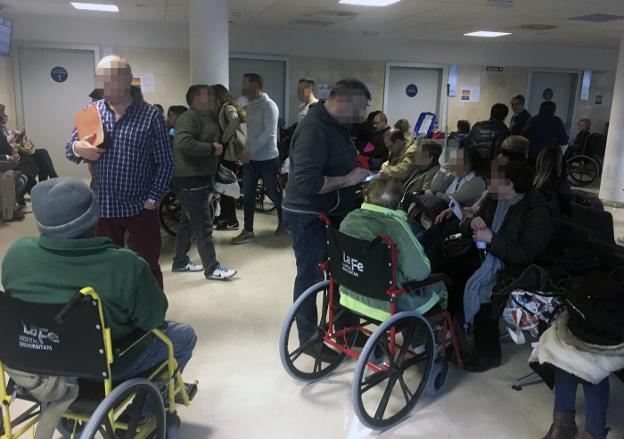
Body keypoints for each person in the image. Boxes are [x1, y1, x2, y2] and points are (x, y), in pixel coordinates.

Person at [1, 177, 196, 437]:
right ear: (94, 217)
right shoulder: (125, 266)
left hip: (36, 360)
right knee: (182, 336)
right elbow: (153, 318)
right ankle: (148, 408)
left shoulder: (17, 255)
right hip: (103, 367)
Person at [65, 55, 173, 290]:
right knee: (104, 267)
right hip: (103, 206)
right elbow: (70, 152)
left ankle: (153, 317)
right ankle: (113, 317)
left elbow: (166, 163)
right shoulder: (90, 113)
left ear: (127, 79)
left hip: (141, 207)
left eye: (110, 78)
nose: (104, 84)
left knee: (147, 267)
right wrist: (77, 147)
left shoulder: (151, 116)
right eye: (100, 78)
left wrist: (152, 200)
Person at [282, 78, 372, 345]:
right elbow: (307, 182)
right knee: (311, 276)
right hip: (308, 215)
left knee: (342, 272)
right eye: (358, 109)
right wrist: (349, 178)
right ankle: (309, 340)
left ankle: (345, 330)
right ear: (341, 101)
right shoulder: (314, 128)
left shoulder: (335, 124)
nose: (360, 116)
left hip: (331, 212)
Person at [449, 160, 552, 372]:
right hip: (488, 257)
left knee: (486, 292)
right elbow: (470, 225)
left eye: (496, 180)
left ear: (511, 184)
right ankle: (461, 335)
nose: (490, 185)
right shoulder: (496, 200)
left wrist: (492, 239)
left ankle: (487, 353)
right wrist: (472, 224)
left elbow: (526, 254)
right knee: (452, 274)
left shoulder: (536, 210)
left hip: (516, 269)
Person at [339, 176, 447, 321]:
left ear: (366, 196)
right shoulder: (396, 227)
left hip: (349, 294)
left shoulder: (349, 219)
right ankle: (421, 339)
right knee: (439, 284)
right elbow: (419, 273)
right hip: (387, 305)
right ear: (399, 202)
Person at [171, 85, 236, 281]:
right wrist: (209, 149)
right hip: (190, 179)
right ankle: (212, 268)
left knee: (187, 223)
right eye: (207, 95)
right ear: (196, 99)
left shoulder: (206, 117)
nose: (212, 99)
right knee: (203, 225)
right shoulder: (189, 117)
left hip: (198, 178)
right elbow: (182, 142)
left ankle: (180, 262)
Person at [231, 73, 283, 244]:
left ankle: (284, 221)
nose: (242, 88)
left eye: (245, 84)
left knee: (273, 193)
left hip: (268, 159)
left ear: (256, 85)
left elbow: (269, 134)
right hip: (251, 161)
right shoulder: (250, 105)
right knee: (248, 196)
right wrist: (245, 152)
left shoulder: (269, 106)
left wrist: (249, 152)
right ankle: (248, 230)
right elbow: (250, 134)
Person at [213, 83, 246, 231]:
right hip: (228, 151)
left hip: (230, 151)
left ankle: (232, 220)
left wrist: (223, 139)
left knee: (227, 186)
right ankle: (225, 216)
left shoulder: (227, 107)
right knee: (224, 185)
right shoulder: (224, 107)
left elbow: (234, 121)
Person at [534, 145, 573, 218]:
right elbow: (569, 209)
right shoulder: (561, 185)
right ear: (559, 164)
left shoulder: (533, 181)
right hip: (555, 222)